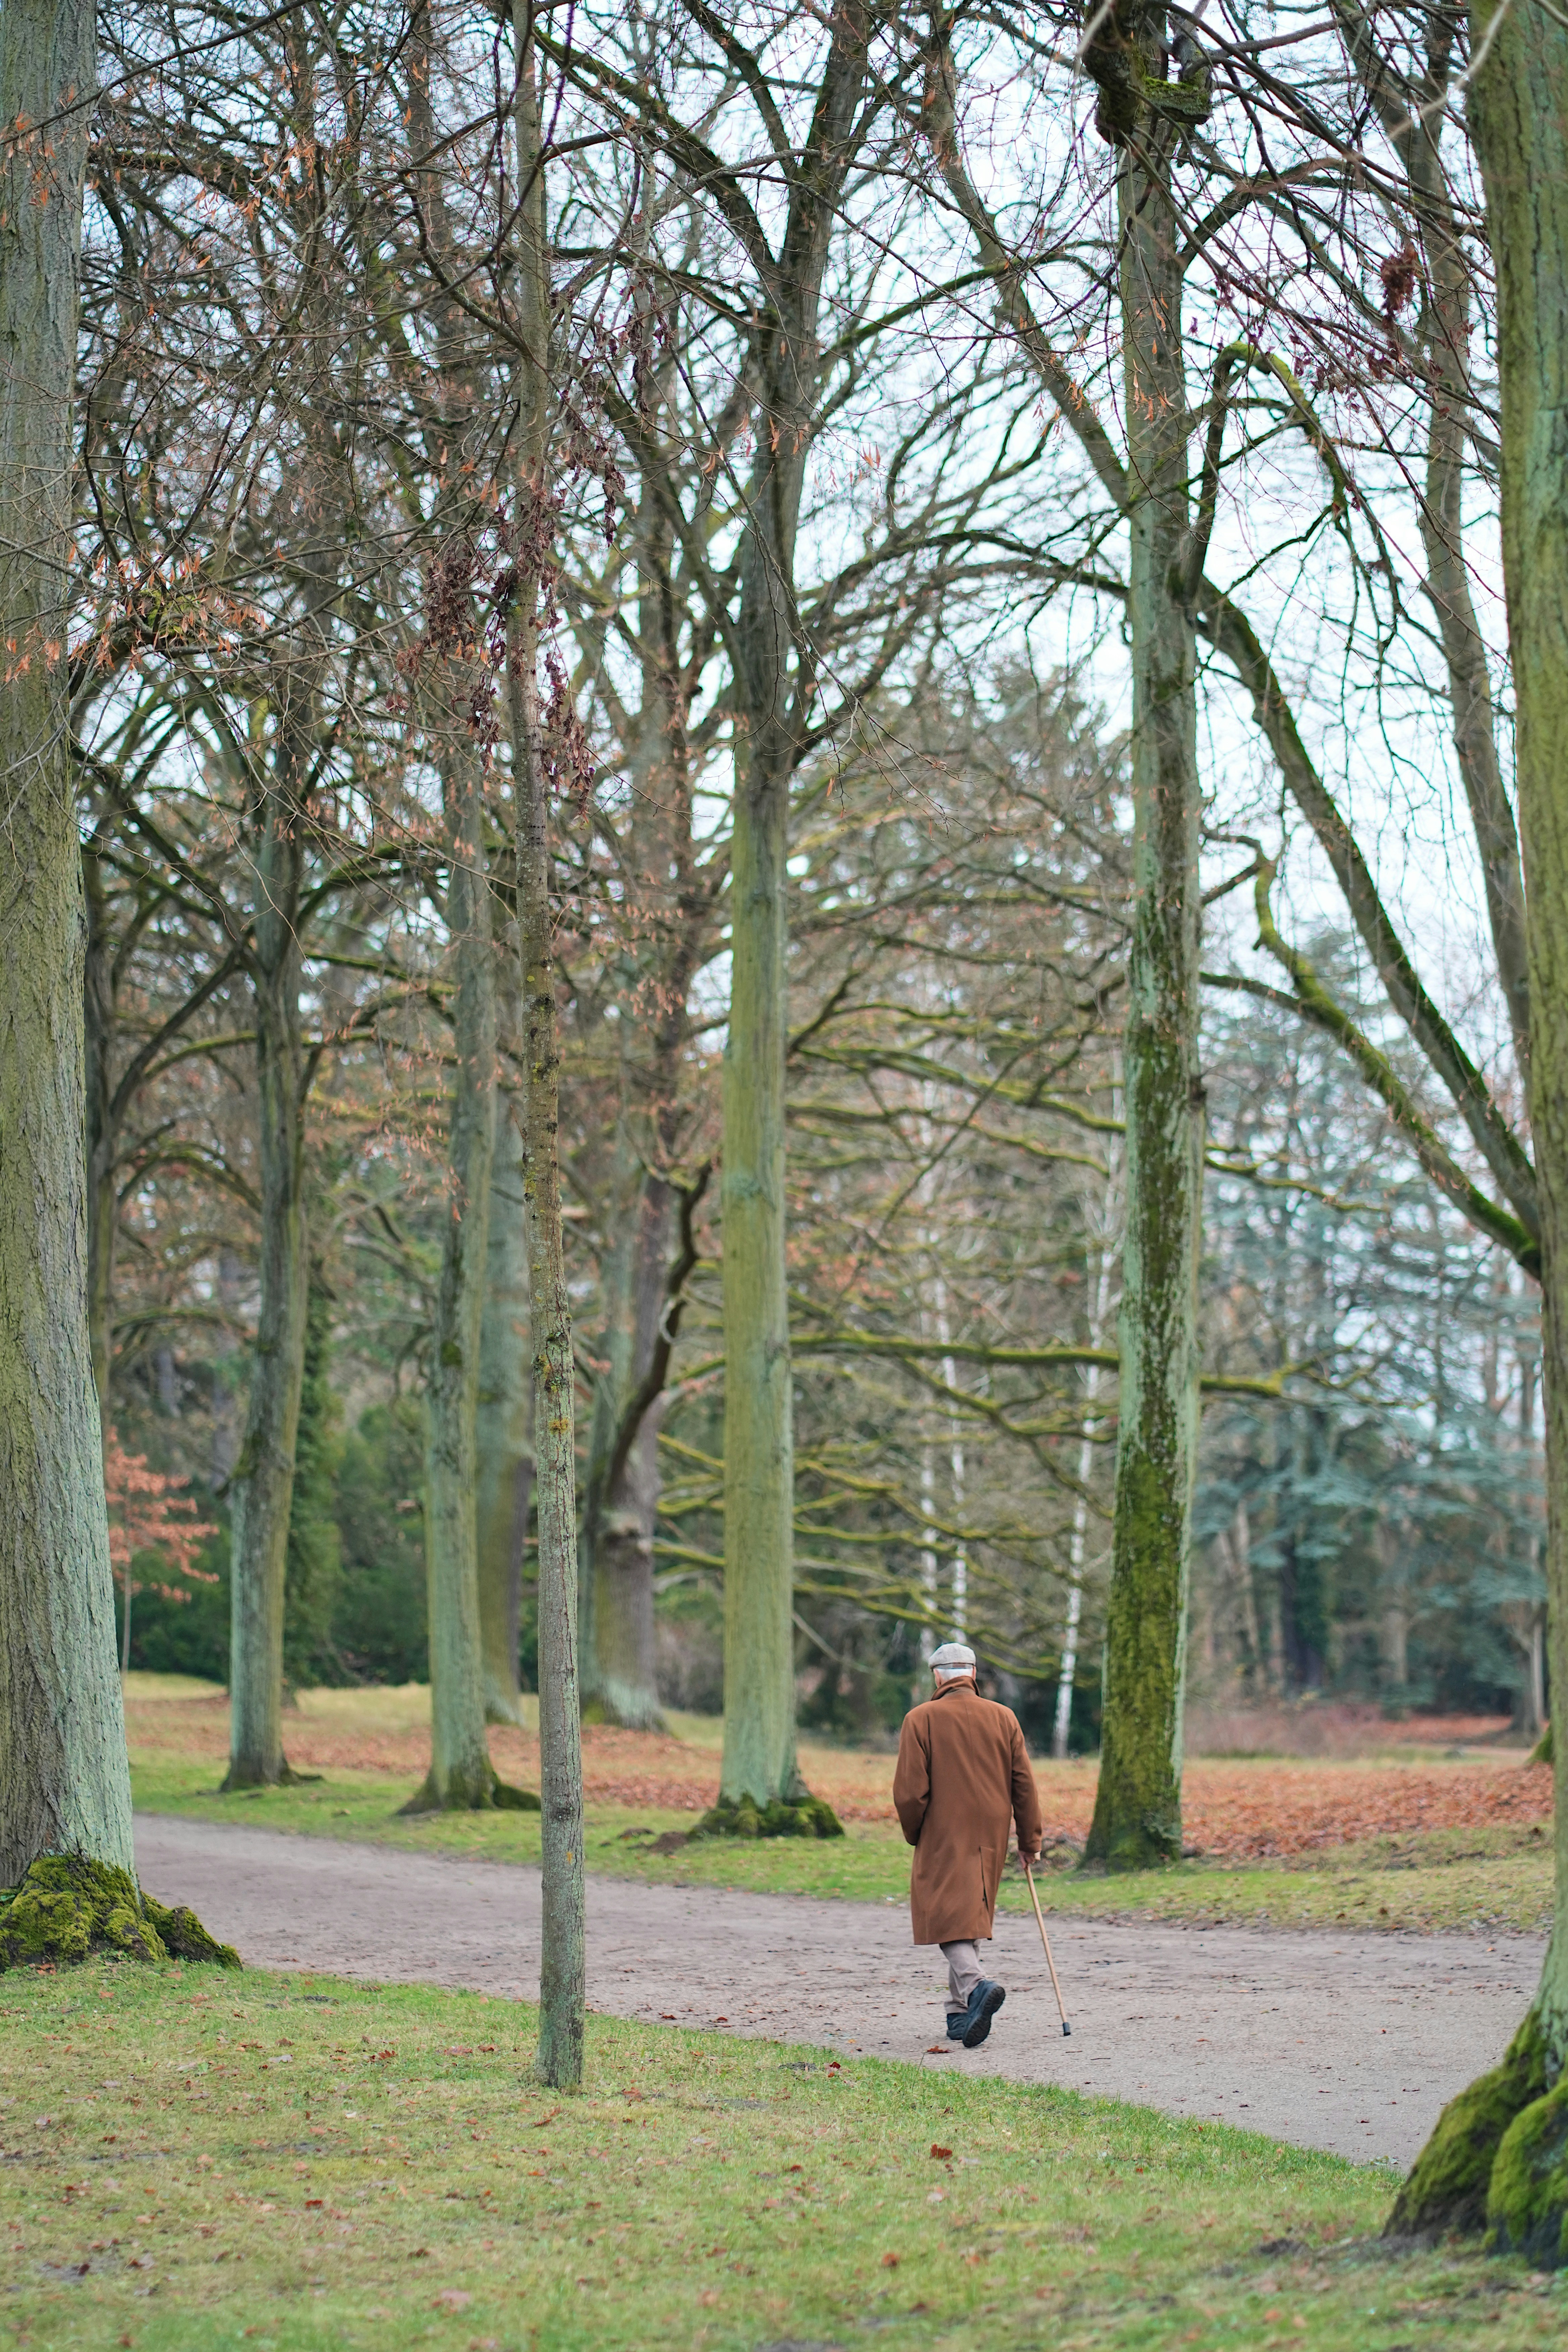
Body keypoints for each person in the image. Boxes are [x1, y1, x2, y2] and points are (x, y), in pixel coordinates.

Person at [893, 1641, 1043, 2046]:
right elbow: (1023, 1784)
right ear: (973, 1674)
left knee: (944, 1913)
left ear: (937, 1676)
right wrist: (1029, 1840)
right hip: (991, 1831)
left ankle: (977, 1986)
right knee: (969, 1911)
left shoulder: (920, 1719)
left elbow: (910, 1793)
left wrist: (915, 1831)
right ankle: (959, 2014)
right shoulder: (1004, 1717)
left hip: (943, 1828)